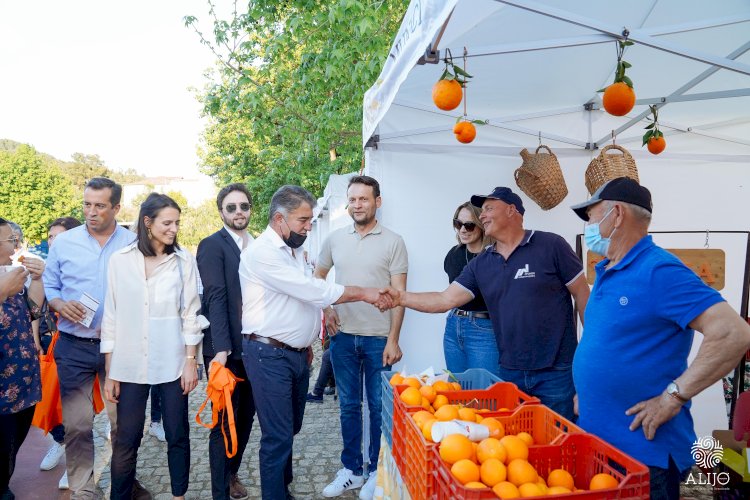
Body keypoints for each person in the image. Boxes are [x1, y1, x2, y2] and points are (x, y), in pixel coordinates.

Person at [569, 177, 750, 499]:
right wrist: (587, 392)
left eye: (592, 216)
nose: (589, 226)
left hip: (644, 455)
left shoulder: (659, 270)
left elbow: (733, 332)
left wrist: (673, 397)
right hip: (603, 445)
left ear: (618, 214)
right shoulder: (610, 270)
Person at [382, 187, 589, 420]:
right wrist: (400, 297)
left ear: (512, 211)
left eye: (489, 208)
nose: (482, 216)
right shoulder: (482, 263)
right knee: (516, 439)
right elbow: (444, 299)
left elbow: (582, 294)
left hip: (556, 370)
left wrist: (590, 350)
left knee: (559, 436)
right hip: (511, 371)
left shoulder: (551, 245)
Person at [238, 184, 391, 500]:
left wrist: (323, 315)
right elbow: (313, 290)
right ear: (280, 219)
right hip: (268, 354)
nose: (309, 226)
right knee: (277, 436)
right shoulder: (264, 253)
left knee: (290, 429)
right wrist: (364, 292)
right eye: (303, 220)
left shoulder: (292, 251)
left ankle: (283, 488)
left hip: (294, 356)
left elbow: (312, 289)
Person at [42, 177, 145, 499]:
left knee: (123, 428)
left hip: (119, 349)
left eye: (100, 205)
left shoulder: (132, 244)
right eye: (87, 204)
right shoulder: (64, 243)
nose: (91, 211)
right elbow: (51, 286)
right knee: (77, 426)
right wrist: (58, 303)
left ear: (116, 207)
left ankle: (124, 486)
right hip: (73, 346)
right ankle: (84, 490)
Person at [102, 193, 204, 500]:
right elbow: (111, 315)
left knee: (177, 434)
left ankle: (179, 496)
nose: (173, 229)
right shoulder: (119, 260)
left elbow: (190, 313)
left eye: (177, 223)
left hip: (172, 362)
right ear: (147, 222)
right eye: (167, 222)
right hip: (129, 364)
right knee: (127, 439)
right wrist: (110, 372)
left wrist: (190, 362)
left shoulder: (184, 260)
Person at [315, 175, 408, 499]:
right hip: (343, 339)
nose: (357, 204)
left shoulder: (394, 241)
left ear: (377, 202)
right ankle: (352, 470)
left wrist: (393, 339)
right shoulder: (335, 239)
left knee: (379, 408)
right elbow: (318, 278)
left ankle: (376, 472)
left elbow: (400, 295)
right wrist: (326, 309)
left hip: (378, 339)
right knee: (349, 407)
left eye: (363, 199)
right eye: (352, 199)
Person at [196, 183, 257, 500]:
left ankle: (232, 473)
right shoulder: (212, 245)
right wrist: (221, 350)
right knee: (222, 423)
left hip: (256, 349)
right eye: (231, 207)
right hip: (225, 350)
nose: (238, 212)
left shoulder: (258, 245)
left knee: (245, 418)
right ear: (221, 212)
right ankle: (219, 491)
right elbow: (215, 298)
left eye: (243, 206)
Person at [0, 218, 45, 500]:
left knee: (13, 443)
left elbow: (34, 310)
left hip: (22, 379)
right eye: (10, 241)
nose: (16, 246)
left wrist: (37, 279)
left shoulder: (13, 273)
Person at [38, 217, 83, 490]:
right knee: (49, 400)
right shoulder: (43, 270)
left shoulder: (78, 269)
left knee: (75, 408)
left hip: (76, 343)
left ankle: (75, 461)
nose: (53, 242)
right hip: (47, 342)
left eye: (59, 236)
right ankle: (59, 442)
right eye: (50, 236)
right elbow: (34, 307)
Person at [442, 201, 497, 375]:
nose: (463, 230)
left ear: (481, 225)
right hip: (453, 323)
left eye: (469, 225)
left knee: (485, 393)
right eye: (458, 224)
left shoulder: (495, 255)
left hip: (484, 326)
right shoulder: (454, 254)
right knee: (457, 388)